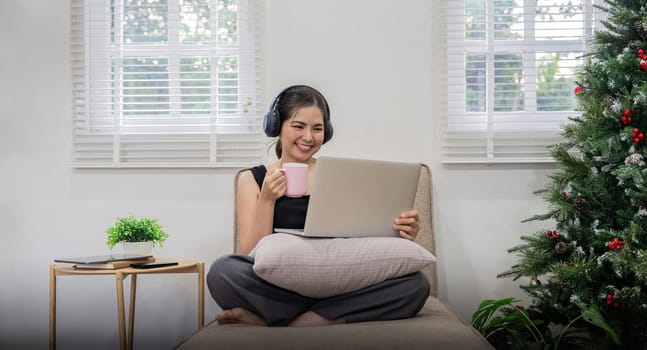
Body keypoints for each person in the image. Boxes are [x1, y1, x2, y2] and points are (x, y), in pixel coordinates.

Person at [206, 85, 429, 327]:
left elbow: (363, 239)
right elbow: (248, 254)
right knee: (222, 272)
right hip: (281, 287)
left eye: (318, 128)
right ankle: (326, 315)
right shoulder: (252, 179)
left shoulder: (339, 174)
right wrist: (267, 200)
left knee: (415, 285)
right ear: (276, 126)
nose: (309, 137)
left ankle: (293, 319)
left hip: (340, 283)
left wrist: (402, 231)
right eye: (299, 126)